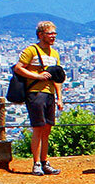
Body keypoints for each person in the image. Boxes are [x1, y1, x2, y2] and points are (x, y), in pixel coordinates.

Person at [14, 20, 64, 175]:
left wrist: (59, 97)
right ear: (41, 35)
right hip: (35, 92)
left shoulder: (55, 53)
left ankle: (44, 161)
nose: (53, 36)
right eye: (50, 33)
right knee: (38, 128)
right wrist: (37, 76)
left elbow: (56, 77)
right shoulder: (31, 50)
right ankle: (36, 163)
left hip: (49, 93)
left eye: (54, 33)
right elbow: (18, 68)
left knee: (47, 129)